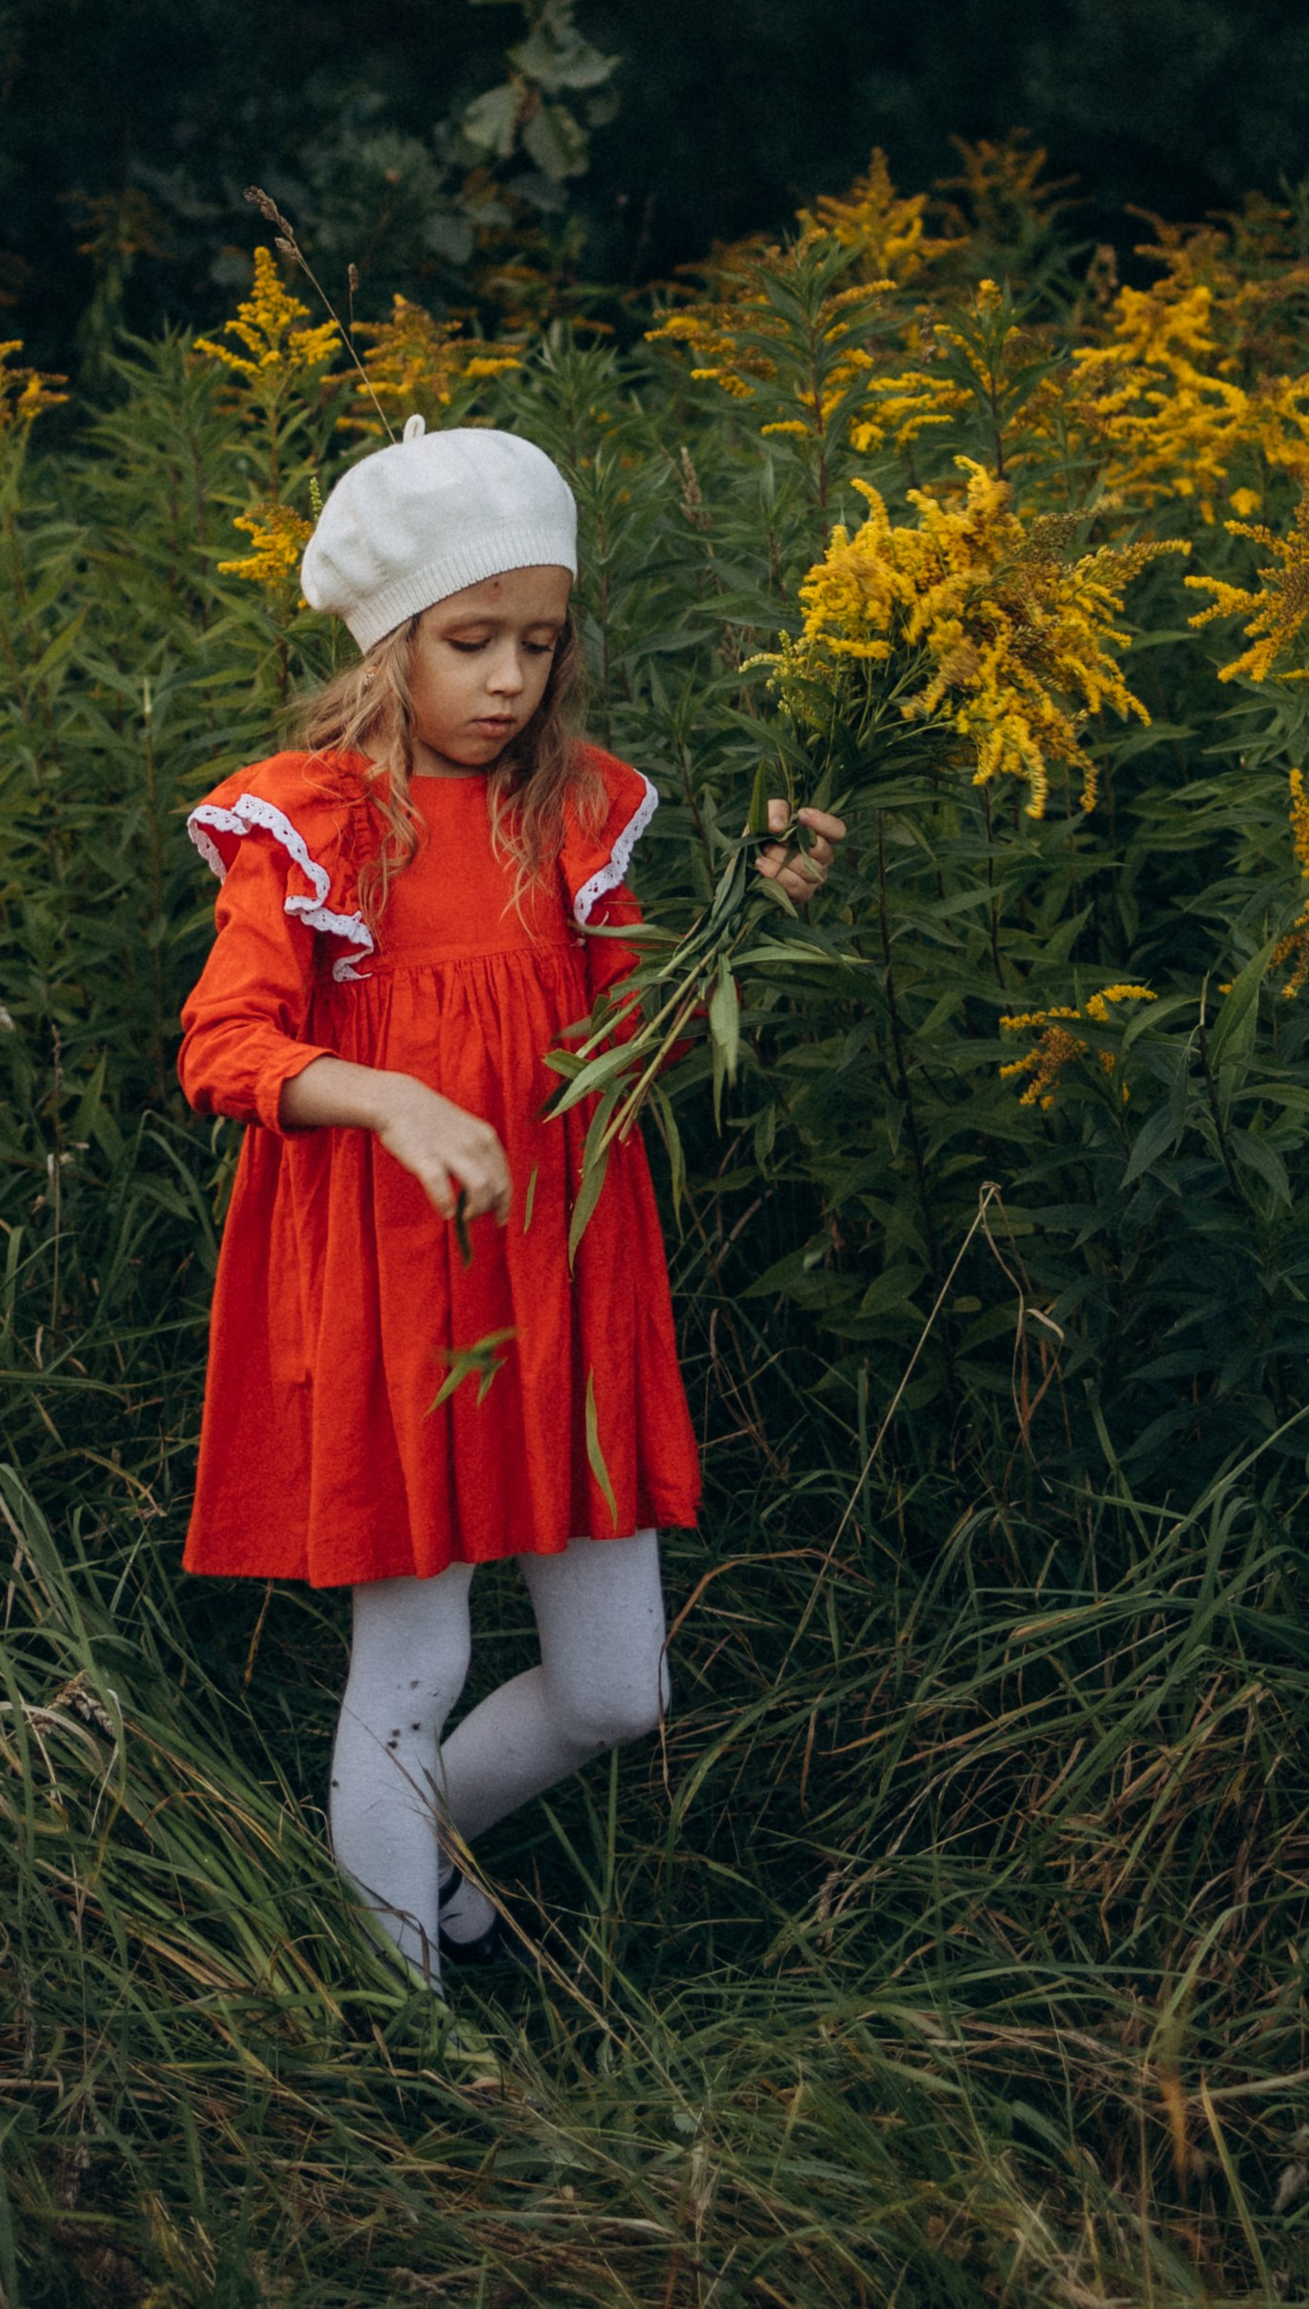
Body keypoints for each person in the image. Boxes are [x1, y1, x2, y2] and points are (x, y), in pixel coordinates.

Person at [177, 414, 841, 1982]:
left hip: (564, 1276)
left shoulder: (576, 816)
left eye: (538, 642)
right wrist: (397, 1094)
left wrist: (745, 925)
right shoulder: (318, 821)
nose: (510, 679)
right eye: (471, 639)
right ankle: (400, 2029)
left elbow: (624, 1049)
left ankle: (400, 1843)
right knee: (413, 1663)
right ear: (392, 637)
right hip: (399, 1288)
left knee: (617, 1687)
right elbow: (224, 1047)